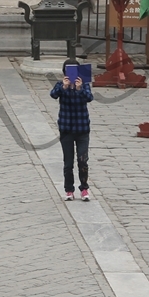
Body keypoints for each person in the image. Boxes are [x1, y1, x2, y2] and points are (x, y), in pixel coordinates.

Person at [49, 61, 92, 197]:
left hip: (82, 129)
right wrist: (64, 87)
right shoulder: (61, 85)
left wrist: (79, 89)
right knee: (68, 162)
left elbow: (89, 98)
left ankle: (84, 188)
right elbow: (53, 94)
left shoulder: (84, 85)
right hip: (66, 129)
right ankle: (69, 189)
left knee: (82, 160)